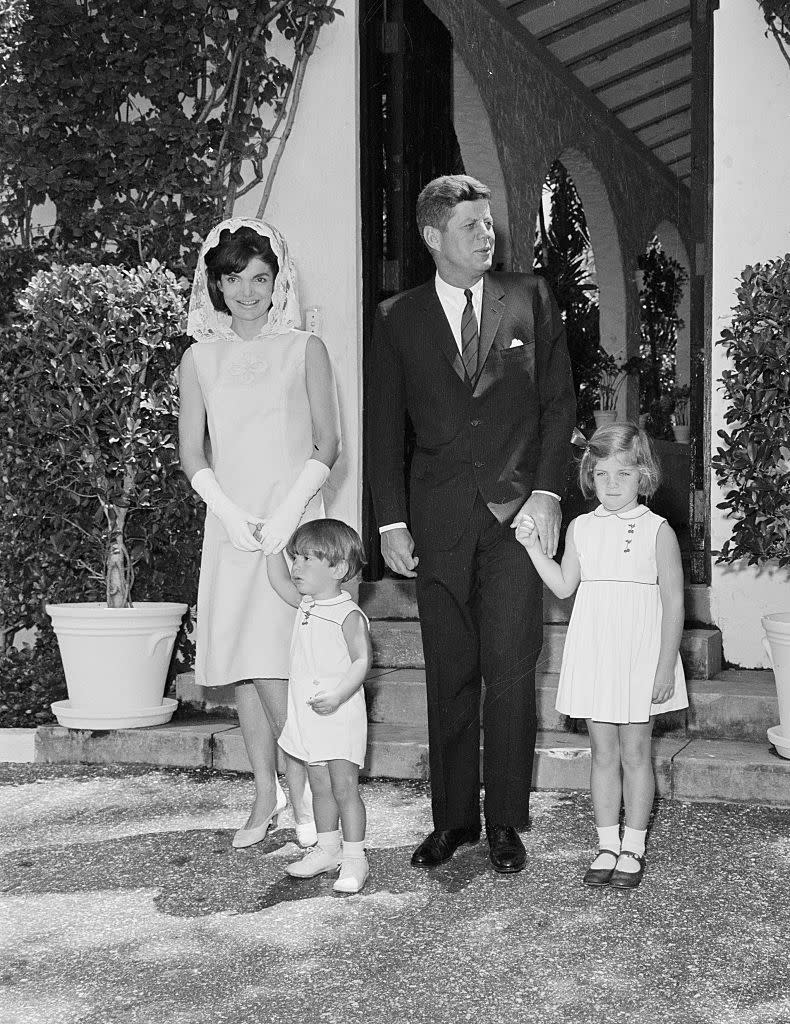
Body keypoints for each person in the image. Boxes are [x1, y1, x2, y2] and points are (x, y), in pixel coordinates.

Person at [367, 174, 577, 873]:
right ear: (433, 237)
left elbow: (558, 405)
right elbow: (382, 430)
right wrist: (391, 522)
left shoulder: (531, 298)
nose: (487, 236)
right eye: (471, 226)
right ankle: (453, 821)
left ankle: (505, 825)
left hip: (517, 519)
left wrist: (547, 492)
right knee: (449, 673)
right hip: (438, 520)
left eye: (489, 224)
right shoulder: (397, 317)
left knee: (513, 673)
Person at [178, 218, 341, 850]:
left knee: (281, 664)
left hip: (290, 527)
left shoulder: (306, 348)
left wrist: (284, 517)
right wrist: (224, 509)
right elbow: (193, 452)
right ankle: (263, 795)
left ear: (278, 282)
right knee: (244, 668)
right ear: (214, 285)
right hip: (230, 527)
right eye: (233, 279)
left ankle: (305, 797)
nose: (248, 291)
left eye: (260, 278)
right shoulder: (199, 358)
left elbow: (328, 441)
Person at [515, 422, 688, 890]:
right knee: (602, 754)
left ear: (644, 476)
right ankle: (607, 842)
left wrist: (664, 665)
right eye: (604, 473)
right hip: (596, 651)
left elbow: (674, 602)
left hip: (639, 654)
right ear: (590, 476)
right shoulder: (581, 528)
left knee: (636, 754)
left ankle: (634, 845)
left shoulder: (658, 531)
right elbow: (564, 585)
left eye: (624, 474)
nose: (613, 484)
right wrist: (533, 548)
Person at [266, 519, 372, 894]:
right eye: (296, 557)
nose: (296, 567)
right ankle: (327, 849)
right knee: (319, 786)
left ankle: (355, 857)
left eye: (307, 559)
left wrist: (339, 695)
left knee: (344, 787)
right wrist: (272, 546)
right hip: (310, 715)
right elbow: (278, 582)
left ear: (338, 569)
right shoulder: (307, 604)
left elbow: (361, 661)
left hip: (339, 714)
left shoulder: (348, 614)